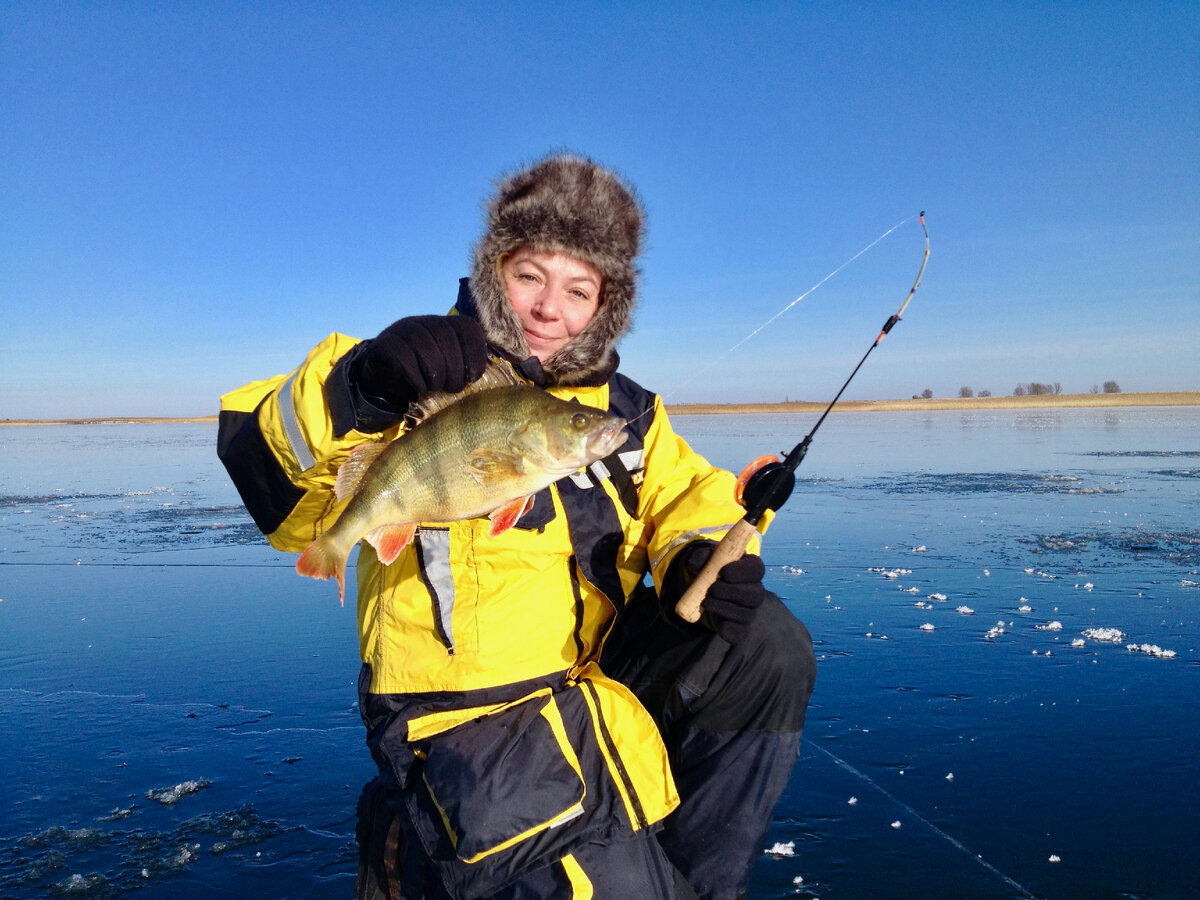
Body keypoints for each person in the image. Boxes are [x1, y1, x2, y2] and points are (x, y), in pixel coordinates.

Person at [217, 152, 816, 900]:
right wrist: (361, 389)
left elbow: (688, 490)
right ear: (494, 270)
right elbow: (262, 454)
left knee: (765, 644)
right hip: (463, 719)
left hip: (591, 677)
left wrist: (698, 552)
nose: (548, 308)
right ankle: (412, 844)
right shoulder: (418, 369)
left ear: (606, 305)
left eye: (579, 288)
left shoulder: (622, 410)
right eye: (530, 275)